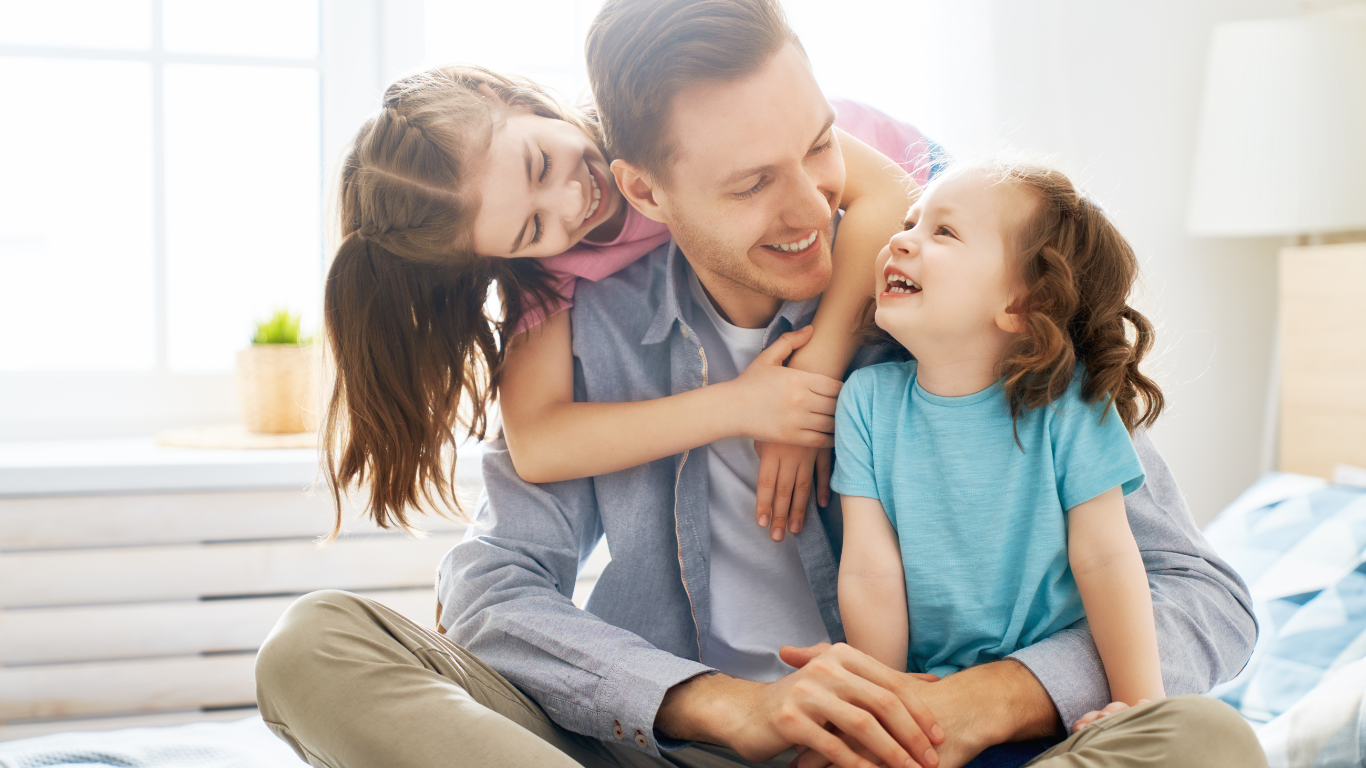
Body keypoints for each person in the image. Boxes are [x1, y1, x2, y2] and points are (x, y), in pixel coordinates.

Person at [254, 1, 1264, 767]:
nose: (812, 207)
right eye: (749, 184)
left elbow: (1201, 602)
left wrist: (981, 703)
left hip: (924, 746)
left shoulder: (951, 296)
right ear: (641, 190)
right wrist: (709, 703)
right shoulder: (572, 324)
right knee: (314, 645)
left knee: (1204, 742)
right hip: (680, 744)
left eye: (820, 145)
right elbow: (494, 585)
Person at [321, 64, 921, 544]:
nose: (571, 200)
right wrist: (740, 407)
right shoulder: (549, 274)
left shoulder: (647, 114)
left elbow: (889, 193)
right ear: (499, 257)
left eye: (541, 164)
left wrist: (814, 376)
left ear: (503, 94)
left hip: (920, 177)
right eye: (532, 228)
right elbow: (538, 442)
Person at [835, 159, 1168, 741]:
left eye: (942, 231)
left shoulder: (1070, 403)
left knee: (1206, 735)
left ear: (1020, 303)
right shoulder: (865, 402)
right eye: (910, 222)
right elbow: (870, 573)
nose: (899, 239)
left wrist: (1139, 708)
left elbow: (1108, 557)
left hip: (1060, 715)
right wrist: (883, 713)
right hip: (938, 710)